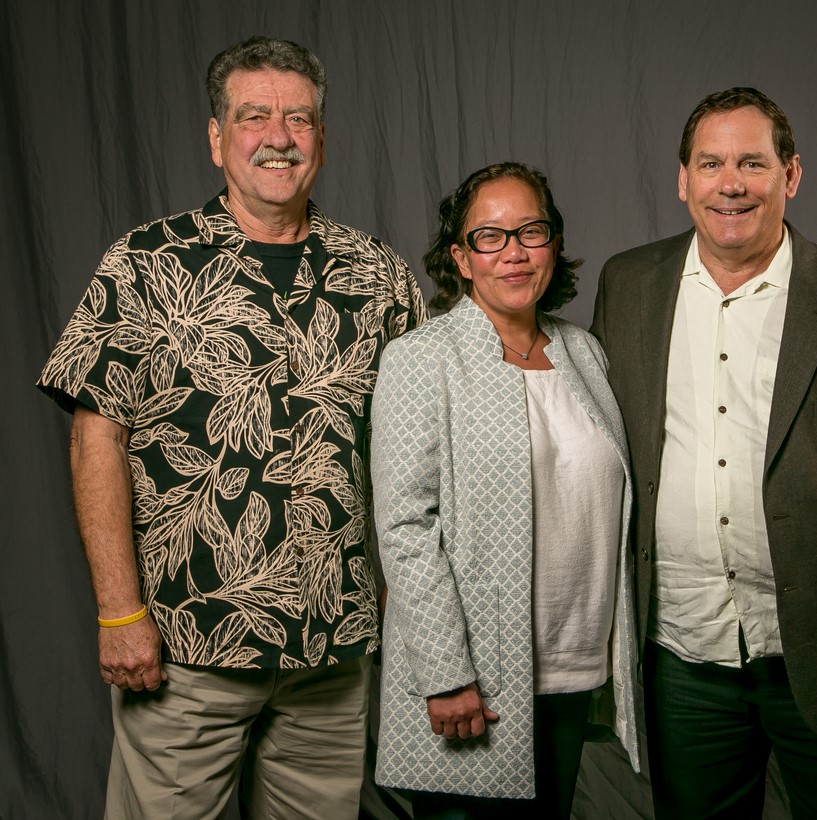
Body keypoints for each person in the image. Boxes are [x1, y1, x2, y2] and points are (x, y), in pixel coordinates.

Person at [36, 35, 426, 818]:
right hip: (187, 646)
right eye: (254, 117)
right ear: (217, 139)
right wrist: (119, 613)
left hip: (332, 648)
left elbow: (417, 449)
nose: (278, 138)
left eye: (300, 119)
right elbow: (95, 440)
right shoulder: (146, 266)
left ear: (322, 136)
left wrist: (400, 598)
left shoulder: (378, 273)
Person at [591, 87, 817, 819]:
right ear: (682, 179)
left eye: (752, 163)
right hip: (682, 653)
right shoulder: (627, 285)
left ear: (791, 175)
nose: (731, 183)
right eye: (711, 163)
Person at [371, 162, 640, 819]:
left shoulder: (585, 353)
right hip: (474, 677)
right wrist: (446, 674)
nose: (514, 251)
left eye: (531, 230)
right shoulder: (421, 358)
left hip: (572, 665)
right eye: (490, 236)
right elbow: (404, 529)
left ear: (553, 244)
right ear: (460, 258)